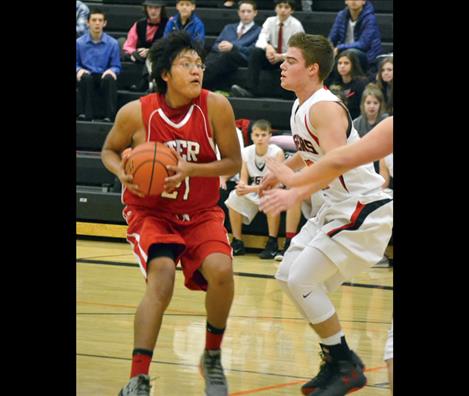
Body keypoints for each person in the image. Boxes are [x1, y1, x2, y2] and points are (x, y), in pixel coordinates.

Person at [101, 31, 242, 396]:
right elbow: (109, 151)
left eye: (199, 64)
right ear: (165, 73)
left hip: (200, 211)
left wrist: (191, 169)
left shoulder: (216, 107)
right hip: (151, 213)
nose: (197, 70)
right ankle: (138, 378)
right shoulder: (136, 113)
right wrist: (123, 173)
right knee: (161, 277)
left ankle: (211, 356)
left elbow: (233, 161)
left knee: (222, 271)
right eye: (186, 64)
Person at [256, 32, 393, 396]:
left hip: (361, 208)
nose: (283, 65)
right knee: (288, 276)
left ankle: (345, 364)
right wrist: (282, 167)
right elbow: (310, 149)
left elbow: (335, 164)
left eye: (291, 61)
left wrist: (294, 187)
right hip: (334, 208)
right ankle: (339, 359)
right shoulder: (302, 104)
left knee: (303, 281)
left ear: (313, 69)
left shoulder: (325, 107)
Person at [225, 119, 285, 259]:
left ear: (270, 136)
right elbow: (243, 180)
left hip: (273, 190)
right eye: (257, 135)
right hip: (255, 191)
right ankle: (238, 242)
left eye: (263, 135)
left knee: (271, 197)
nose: (260, 138)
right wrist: (241, 187)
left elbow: (274, 183)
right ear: (251, 136)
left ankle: (272, 243)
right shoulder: (246, 152)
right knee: (234, 196)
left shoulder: (277, 152)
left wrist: (248, 189)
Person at [230, 0, 304, 98]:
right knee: (256, 52)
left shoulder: (296, 25)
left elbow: (298, 50)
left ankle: (289, 95)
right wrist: (268, 47)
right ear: (275, 8)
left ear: (292, 10)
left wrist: (281, 57)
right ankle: (250, 90)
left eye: (286, 7)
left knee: (294, 60)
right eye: (280, 6)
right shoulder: (270, 21)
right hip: (272, 58)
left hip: (286, 58)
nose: (283, 10)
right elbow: (261, 40)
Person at [202, 0, 261, 91]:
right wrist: (220, 47)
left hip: (242, 57)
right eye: (243, 11)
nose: (245, 14)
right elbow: (215, 45)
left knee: (227, 55)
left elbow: (253, 50)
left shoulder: (259, 30)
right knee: (210, 53)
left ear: (255, 13)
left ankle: (201, 79)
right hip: (221, 55)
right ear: (238, 13)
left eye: (249, 11)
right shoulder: (229, 27)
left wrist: (233, 47)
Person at [76, 8, 121, 122]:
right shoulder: (79, 43)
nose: (97, 23)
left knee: (110, 78)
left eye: (100, 20)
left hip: (103, 75)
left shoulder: (113, 43)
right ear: (88, 23)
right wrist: (78, 70)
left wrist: (112, 71)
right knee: (85, 78)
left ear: (104, 23)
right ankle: (86, 115)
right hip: (87, 75)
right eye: (94, 20)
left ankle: (109, 116)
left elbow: (116, 65)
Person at [327, 0, 382, 82]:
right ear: (346, 1)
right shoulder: (341, 15)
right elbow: (332, 38)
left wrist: (339, 48)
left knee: (351, 52)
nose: (354, 1)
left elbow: (364, 44)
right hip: (344, 52)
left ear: (363, 1)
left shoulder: (370, 18)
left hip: (367, 56)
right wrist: (328, 48)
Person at [122, 0, 169, 92]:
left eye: (156, 8)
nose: (153, 11)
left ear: (162, 9)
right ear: (146, 9)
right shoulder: (139, 24)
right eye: (150, 8)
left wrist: (151, 51)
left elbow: (168, 44)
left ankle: (147, 83)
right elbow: (128, 46)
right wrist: (135, 53)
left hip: (159, 56)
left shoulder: (169, 24)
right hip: (140, 56)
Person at [327, 49, 368, 119]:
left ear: (353, 65)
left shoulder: (361, 84)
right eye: (339, 63)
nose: (342, 66)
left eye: (346, 63)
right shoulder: (333, 82)